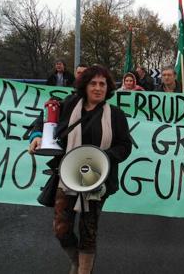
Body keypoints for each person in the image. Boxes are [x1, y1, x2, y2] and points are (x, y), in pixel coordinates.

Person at [28, 65, 132, 274]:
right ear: (84, 86)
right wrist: (37, 135)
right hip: (66, 177)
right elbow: (46, 117)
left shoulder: (116, 115)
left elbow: (124, 146)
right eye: (93, 83)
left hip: (97, 179)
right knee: (61, 229)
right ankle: (75, 260)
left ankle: (84, 270)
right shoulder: (69, 105)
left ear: (108, 88)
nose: (98, 88)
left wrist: (102, 158)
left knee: (88, 231)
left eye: (102, 84)